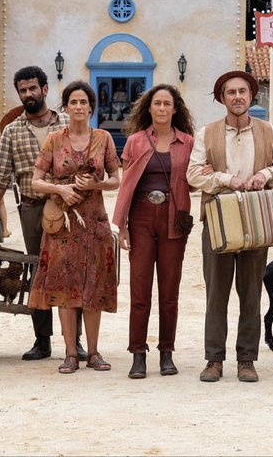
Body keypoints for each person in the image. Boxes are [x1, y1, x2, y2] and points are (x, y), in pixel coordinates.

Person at [187, 70, 273, 383]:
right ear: (222, 98)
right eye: (230, 92)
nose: (237, 97)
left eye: (242, 92)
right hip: (218, 216)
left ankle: (247, 359)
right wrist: (225, 179)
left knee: (251, 293)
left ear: (250, 96)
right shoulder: (207, 132)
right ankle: (214, 359)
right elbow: (193, 175)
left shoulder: (267, 130)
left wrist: (264, 175)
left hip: (256, 216)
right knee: (216, 293)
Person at [0, 66, 77, 362]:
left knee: (71, 270)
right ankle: (42, 341)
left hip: (69, 207)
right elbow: (0, 179)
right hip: (32, 209)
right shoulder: (12, 131)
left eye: (33, 88)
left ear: (45, 89)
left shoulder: (67, 124)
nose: (28, 94)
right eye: (23, 90)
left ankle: (76, 341)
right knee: (39, 271)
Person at [29, 80, 121, 374]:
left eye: (83, 102)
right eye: (73, 102)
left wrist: (97, 184)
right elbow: (35, 180)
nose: (79, 107)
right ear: (65, 107)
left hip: (94, 224)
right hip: (63, 224)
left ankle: (93, 352)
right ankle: (70, 353)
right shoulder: (54, 140)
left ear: (91, 107)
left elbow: (117, 178)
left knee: (93, 287)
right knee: (64, 289)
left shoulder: (104, 138)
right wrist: (61, 191)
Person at [112, 84, 196, 379]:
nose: (162, 108)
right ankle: (137, 354)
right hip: (141, 219)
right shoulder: (135, 141)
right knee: (140, 291)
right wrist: (121, 225)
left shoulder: (188, 143)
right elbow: (126, 186)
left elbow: (196, 179)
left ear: (175, 109)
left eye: (167, 104)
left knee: (170, 291)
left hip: (174, 220)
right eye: (157, 103)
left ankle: (166, 353)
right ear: (149, 108)